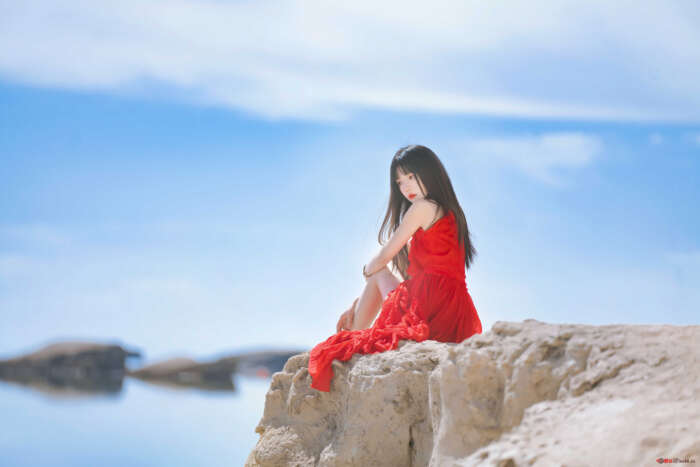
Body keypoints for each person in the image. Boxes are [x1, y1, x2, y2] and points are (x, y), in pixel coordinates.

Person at [308, 144, 483, 392]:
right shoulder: (450, 212)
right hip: (453, 308)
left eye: (411, 176)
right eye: (399, 182)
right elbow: (412, 277)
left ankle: (354, 333)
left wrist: (367, 270)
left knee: (377, 272)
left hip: (429, 304)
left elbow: (382, 258)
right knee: (379, 277)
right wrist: (357, 303)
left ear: (430, 172)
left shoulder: (423, 207)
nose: (405, 187)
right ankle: (355, 326)